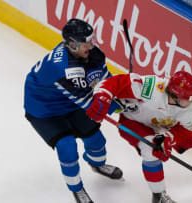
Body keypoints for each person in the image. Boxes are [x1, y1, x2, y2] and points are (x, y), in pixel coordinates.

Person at [86, 71, 192, 203]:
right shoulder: (150, 89)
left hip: (167, 126)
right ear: (174, 95)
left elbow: (188, 131)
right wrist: (103, 98)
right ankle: (159, 196)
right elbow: (116, 82)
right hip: (135, 123)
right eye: (188, 99)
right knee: (149, 149)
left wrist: (168, 139)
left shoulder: (190, 111)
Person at [24, 18, 123, 203]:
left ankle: (97, 165)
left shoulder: (92, 54)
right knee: (67, 147)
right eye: (86, 42)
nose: (91, 46)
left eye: (91, 40)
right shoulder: (63, 68)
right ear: (71, 44)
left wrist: (121, 100)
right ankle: (77, 189)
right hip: (44, 109)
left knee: (97, 140)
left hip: (70, 101)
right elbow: (89, 104)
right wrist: (117, 108)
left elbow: (105, 81)